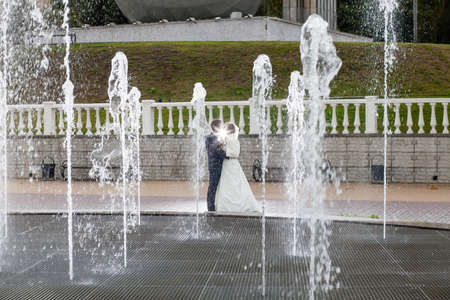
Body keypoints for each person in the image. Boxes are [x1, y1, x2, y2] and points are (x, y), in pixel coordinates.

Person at [215, 122, 261, 213]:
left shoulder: (235, 141)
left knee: (236, 183)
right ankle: (225, 205)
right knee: (226, 184)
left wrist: (224, 150)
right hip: (226, 164)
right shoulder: (225, 139)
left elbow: (236, 153)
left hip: (232, 163)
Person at [205, 119, 226, 211]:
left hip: (217, 165)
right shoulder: (210, 138)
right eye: (221, 126)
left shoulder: (214, 137)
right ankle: (210, 207)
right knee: (213, 186)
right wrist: (227, 155)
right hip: (215, 166)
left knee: (216, 186)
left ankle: (215, 204)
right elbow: (216, 151)